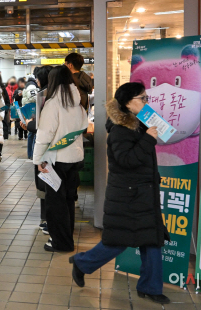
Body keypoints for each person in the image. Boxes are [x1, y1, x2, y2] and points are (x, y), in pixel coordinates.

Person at [70, 82, 170, 305]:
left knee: (152, 239)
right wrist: (149, 140)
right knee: (117, 241)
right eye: (141, 99)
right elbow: (126, 160)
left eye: (146, 98)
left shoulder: (141, 123)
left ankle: (150, 287)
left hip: (144, 192)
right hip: (128, 196)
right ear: (127, 103)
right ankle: (82, 263)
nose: (146, 102)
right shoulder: (119, 129)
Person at [33, 66, 87, 252]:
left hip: (56, 160)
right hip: (75, 158)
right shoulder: (78, 102)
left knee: (55, 204)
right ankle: (66, 238)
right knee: (68, 201)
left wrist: (38, 160)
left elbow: (44, 135)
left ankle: (61, 242)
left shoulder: (54, 103)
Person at [21, 66, 52, 234]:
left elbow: (42, 125)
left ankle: (47, 219)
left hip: (45, 149)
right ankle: (47, 219)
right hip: (57, 149)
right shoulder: (64, 96)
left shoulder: (45, 97)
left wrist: (29, 124)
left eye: (38, 79)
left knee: (45, 185)